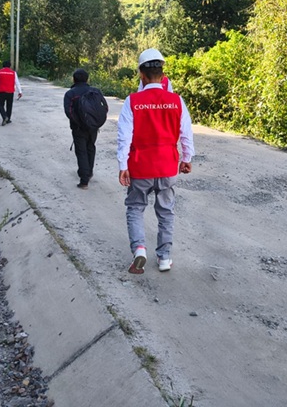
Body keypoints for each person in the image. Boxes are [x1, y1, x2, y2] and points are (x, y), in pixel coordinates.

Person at [118, 48, 194, 274]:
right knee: (166, 212)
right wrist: (187, 158)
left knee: (135, 208)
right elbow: (186, 134)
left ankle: (139, 248)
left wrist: (123, 165)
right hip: (167, 166)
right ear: (163, 74)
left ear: (141, 74)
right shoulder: (176, 101)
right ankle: (164, 258)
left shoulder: (132, 101)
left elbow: (124, 137)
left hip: (140, 166)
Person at [64, 68, 107, 189]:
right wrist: (95, 123)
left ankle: (84, 180)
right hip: (93, 127)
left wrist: (80, 123)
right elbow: (105, 108)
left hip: (78, 128)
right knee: (90, 147)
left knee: (81, 151)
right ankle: (89, 172)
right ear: (87, 79)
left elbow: (69, 112)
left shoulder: (70, 94)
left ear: (74, 79)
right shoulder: (95, 91)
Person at [0, 60, 22, 126]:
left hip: (1, 91)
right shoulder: (13, 73)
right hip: (10, 92)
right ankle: (8, 119)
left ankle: (4, 117)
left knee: (0, 105)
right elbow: (17, 82)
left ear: (3, 65)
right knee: (9, 106)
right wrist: (20, 92)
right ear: (10, 66)